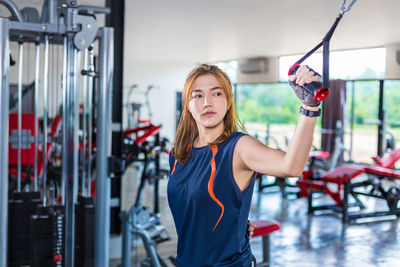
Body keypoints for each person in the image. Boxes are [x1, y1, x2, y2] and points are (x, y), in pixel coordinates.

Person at [168, 63, 322, 266]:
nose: (207, 102)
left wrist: (310, 107)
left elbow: (291, 166)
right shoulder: (179, 153)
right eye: (197, 95)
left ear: (229, 100)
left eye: (216, 93)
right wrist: (235, 223)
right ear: (187, 104)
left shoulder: (239, 147)